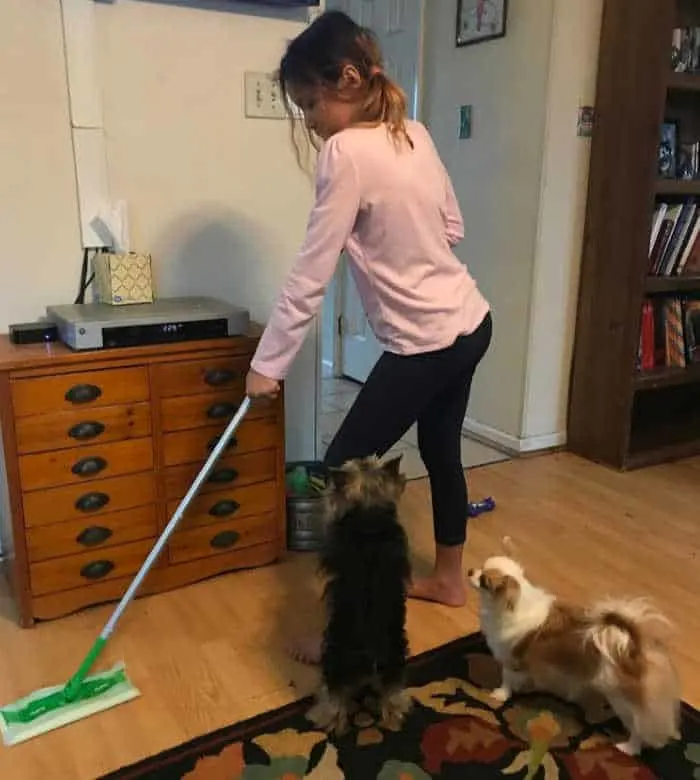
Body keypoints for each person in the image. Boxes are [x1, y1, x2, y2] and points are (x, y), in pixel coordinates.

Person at [245, 10, 492, 662]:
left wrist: (268, 365)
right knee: (441, 451)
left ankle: (350, 641)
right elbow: (454, 226)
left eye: (310, 103)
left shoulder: (346, 152)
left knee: (342, 470)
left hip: (428, 339)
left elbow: (310, 272)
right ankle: (446, 580)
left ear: (347, 78)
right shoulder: (416, 133)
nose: (311, 120)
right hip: (472, 322)